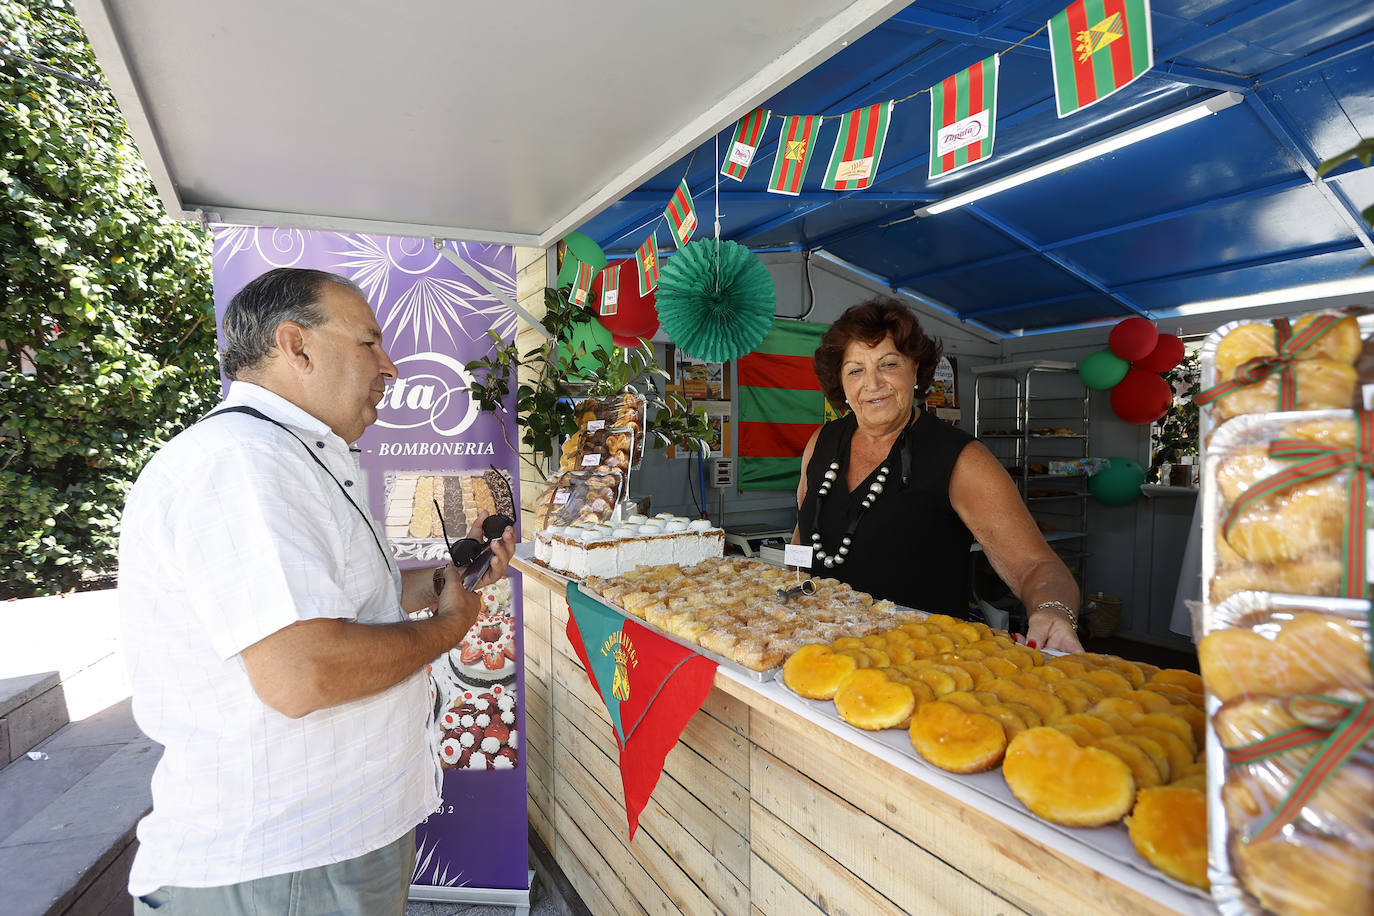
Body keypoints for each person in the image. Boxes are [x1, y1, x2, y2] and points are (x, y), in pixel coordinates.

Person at [118, 267, 516, 914]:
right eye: (369, 343)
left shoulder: (283, 454)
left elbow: (349, 599)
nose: (390, 367)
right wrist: (451, 623)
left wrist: (447, 576)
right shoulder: (245, 464)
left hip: (321, 852)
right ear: (295, 346)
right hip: (287, 867)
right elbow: (305, 673)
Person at [793, 297, 1083, 653]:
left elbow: (1036, 565)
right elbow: (803, 534)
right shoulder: (821, 442)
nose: (872, 383)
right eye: (855, 370)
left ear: (915, 368)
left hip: (922, 665)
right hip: (817, 654)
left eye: (888, 364)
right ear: (840, 380)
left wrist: (1053, 611)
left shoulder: (962, 459)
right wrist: (789, 595)